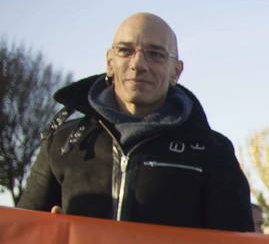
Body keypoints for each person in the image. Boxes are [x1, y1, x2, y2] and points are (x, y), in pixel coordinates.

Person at [18, 13, 253, 231]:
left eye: (156, 54)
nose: (138, 64)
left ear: (176, 71)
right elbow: (22, 235)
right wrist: (50, 234)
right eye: (125, 51)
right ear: (110, 62)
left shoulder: (213, 152)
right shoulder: (62, 142)